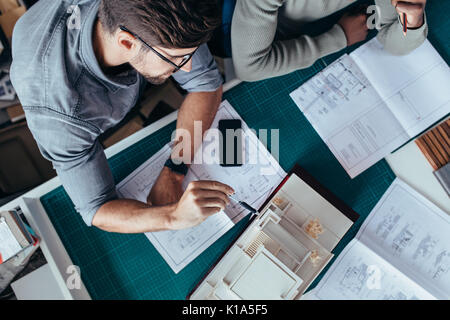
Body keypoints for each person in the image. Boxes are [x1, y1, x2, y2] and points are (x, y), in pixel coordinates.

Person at [10, 0, 235, 233]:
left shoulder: (162, 21)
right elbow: (98, 208)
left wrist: (175, 168)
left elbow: (204, 84)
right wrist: (173, 217)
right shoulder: (60, 118)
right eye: (177, 59)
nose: (187, 68)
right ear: (127, 42)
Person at [231, 0, 428, 81]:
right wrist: (338, 37)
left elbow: (393, 44)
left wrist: (413, 19)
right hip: (255, 34)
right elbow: (250, 68)